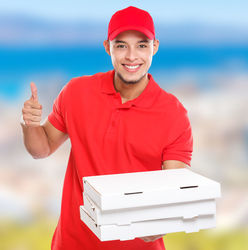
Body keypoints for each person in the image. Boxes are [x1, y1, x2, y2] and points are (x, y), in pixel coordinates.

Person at [20, 6, 193, 250]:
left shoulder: (173, 114)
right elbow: (42, 148)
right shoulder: (76, 93)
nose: (132, 56)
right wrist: (30, 124)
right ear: (107, 47)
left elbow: (175, 189)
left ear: (154, 47)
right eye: (121, 45)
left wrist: (159, 223)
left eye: (142, 45)